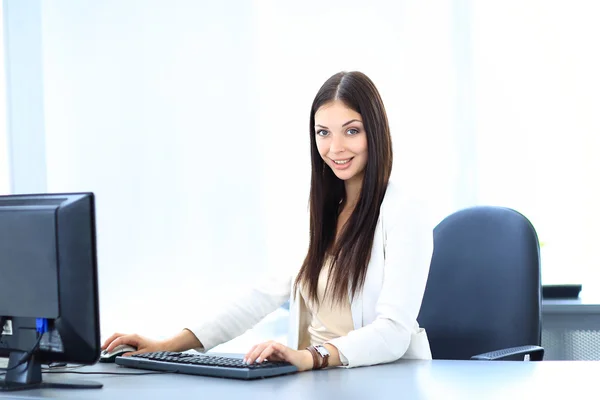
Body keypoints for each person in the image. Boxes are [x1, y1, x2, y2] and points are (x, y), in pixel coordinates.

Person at [102, 71, 434, 371]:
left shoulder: (405, 210)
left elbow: (394, 331)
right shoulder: (324, 209)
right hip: (317, 379)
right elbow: (265, 294)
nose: (335, 147)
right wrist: (166, 346)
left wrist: (313, 356)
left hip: (375, 379)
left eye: (351, 131)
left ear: (374, 132)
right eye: (323, 132)